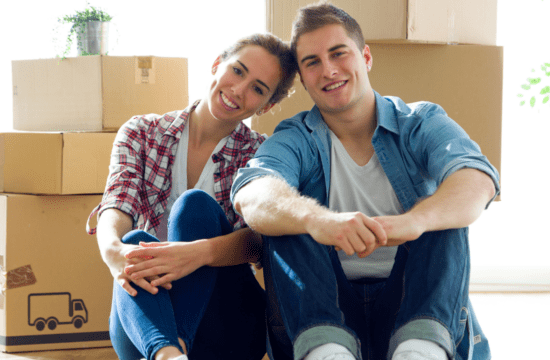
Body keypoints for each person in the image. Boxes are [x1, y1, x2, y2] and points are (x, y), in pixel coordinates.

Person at [231, 3, 499, 360]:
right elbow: (253, 190)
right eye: (312, 62)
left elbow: (476, 177)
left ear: (366, 57)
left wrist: (415, 222)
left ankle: (420, 351)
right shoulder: (296, 136)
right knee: (288, 214)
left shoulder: (419, 121)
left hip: (414, 307)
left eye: (338, 53)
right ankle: (328, 353)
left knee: (443, 211)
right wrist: (319, 220)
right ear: (304, 78)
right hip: (320, 316)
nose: (328, 70)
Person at [86, 33, 298, 360]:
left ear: (267, 105)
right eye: (237, 71)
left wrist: (198, 253)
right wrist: (113, 250)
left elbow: (259, 242)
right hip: (146, 314)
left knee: (193, 207)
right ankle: (169, 352)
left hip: (228, 325)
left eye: (258, 88)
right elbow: (118, 200)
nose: (239, 90)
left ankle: (171, 349)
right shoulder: (141, 133)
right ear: (216, 65)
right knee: (135, 238)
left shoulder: (261, 153)